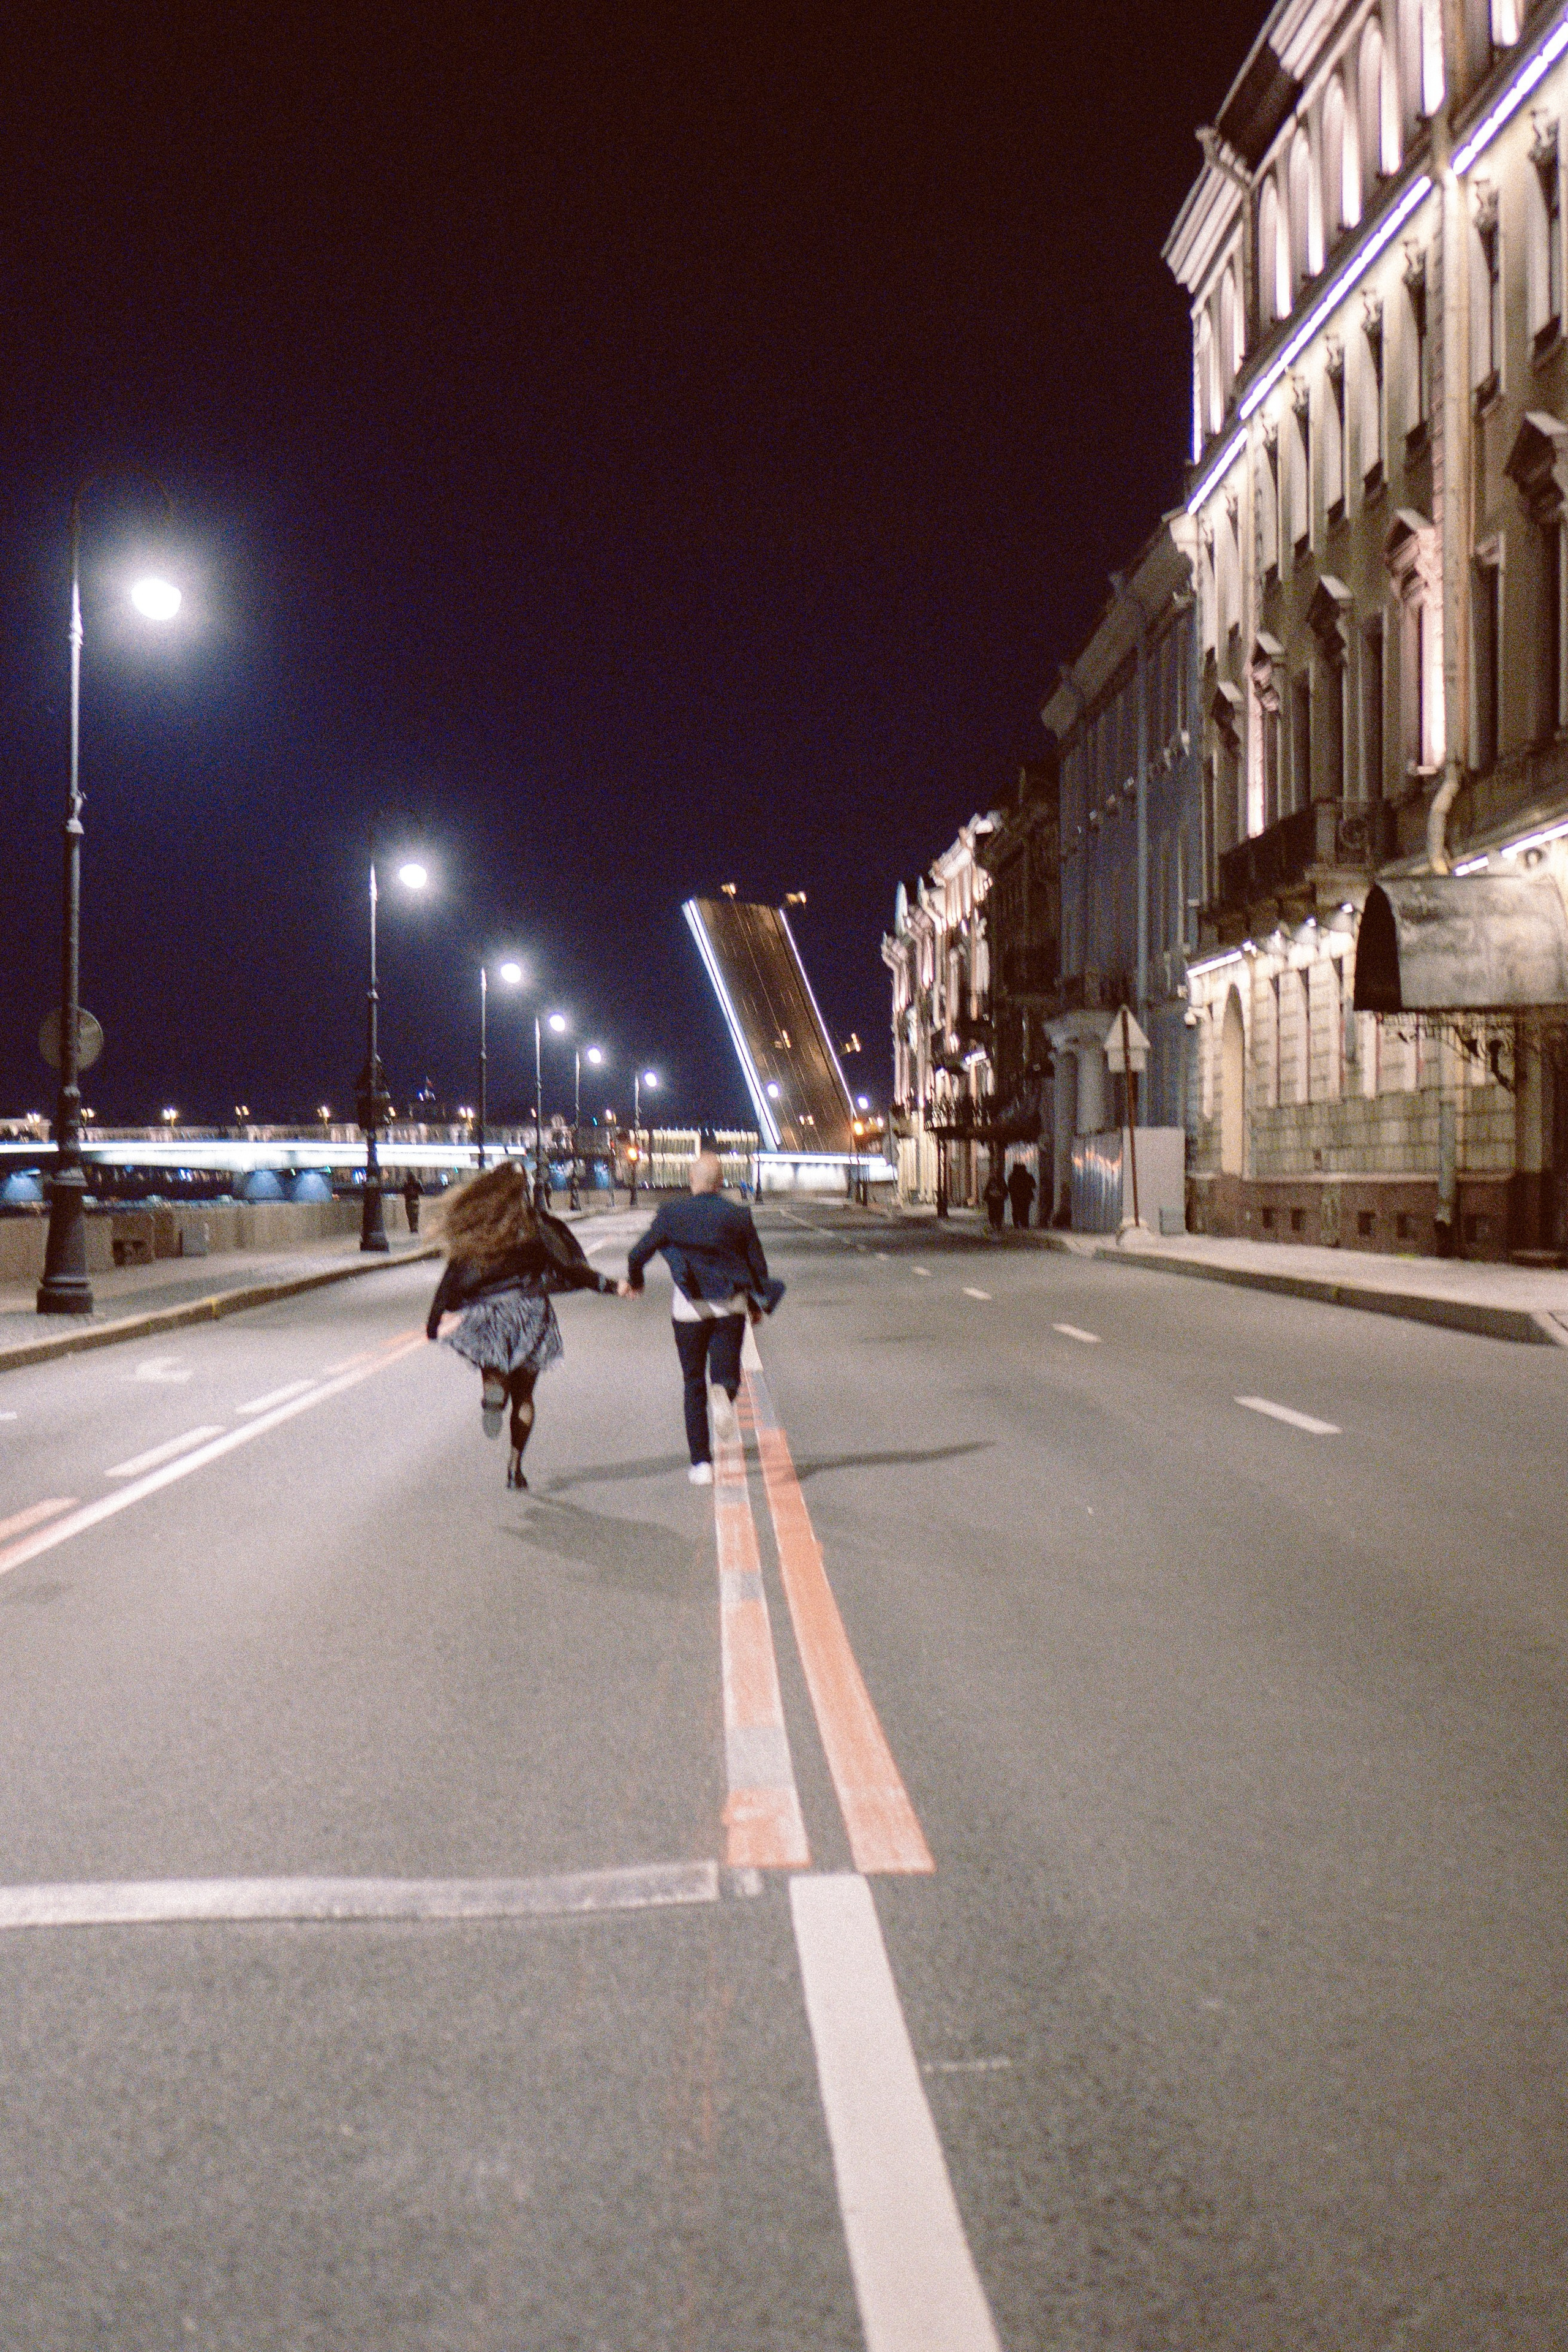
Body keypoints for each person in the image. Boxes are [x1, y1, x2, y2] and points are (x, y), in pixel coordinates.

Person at [426, 1160, 628, 1490]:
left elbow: (451, 1279)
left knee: (496, 1371)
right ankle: (515, 1465)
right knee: (526, 1397)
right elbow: (569, 1266)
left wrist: (434, 1321)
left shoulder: (479, 1231)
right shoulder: (535, 1227)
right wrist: (610, 1285)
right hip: (531, 1313)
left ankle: (493, 1394)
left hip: (491, 1313)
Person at [627, 1149, 784, 1486]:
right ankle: (724, 1393)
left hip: (688, 1309)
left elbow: (637, 1253)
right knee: (725, 1373)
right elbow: (757, 1266)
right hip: (730, 1305)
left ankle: (701, 1464)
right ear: (721, 1181)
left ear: (692, 1180)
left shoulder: (672, 1213)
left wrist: (637, 1282)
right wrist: (756, 1305)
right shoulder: (738, 1216)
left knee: (692, 1383)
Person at [1006, 1158, 1036, 1231]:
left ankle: (1016, 1223)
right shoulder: (1028, 1176)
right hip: (1026, 1196)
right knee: (1025, 1210)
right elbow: (1034, 1185)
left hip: (1015, 1196)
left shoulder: (1012, 1177)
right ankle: (1024, 1223)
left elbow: (1010, 1187)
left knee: (1016, 1209)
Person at [984, 1160, 1008, 1234]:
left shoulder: (1001, 1181)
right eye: (995, 1172)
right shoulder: (991, 1181)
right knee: (992, 1212)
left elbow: (1005, 1189)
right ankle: (994, 1223)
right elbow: (987, 1190)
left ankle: (998, 1224)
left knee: (999, 1212)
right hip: (992, 1200)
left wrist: (1004, 1196)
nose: (996, 1174)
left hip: (999, 1199)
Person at [402, 1169, 422, 1235]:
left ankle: (412, 1229)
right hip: (416, 1201)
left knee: (410, 1216)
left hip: (408, 1201)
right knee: (416, 1215)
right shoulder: (417, 1183)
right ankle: (415, 1228)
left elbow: (402, 1191)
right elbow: (422, 1192)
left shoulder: (406, 1184)